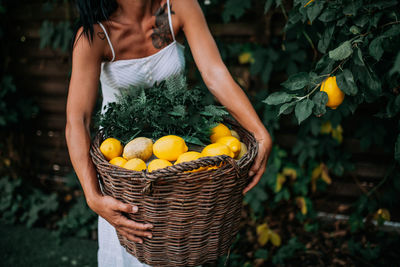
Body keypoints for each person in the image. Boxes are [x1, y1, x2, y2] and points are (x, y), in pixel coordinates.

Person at [65, 0, 273, 266]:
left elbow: (214, 73)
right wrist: (93, 197)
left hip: (177, 158)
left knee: (178, 247)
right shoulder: (95, 34)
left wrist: (259, 132)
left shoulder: (176, 8)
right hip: (124, 172)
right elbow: (77, 119)